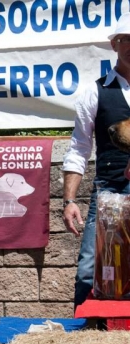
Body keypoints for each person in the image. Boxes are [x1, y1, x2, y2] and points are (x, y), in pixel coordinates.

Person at [62, 13, 130, 307]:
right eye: (125, 39)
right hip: (109, 191)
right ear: (114, 44)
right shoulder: (94, 91)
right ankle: (84, 338)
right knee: (90, 269)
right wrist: (69, 200)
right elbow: (79, 147)